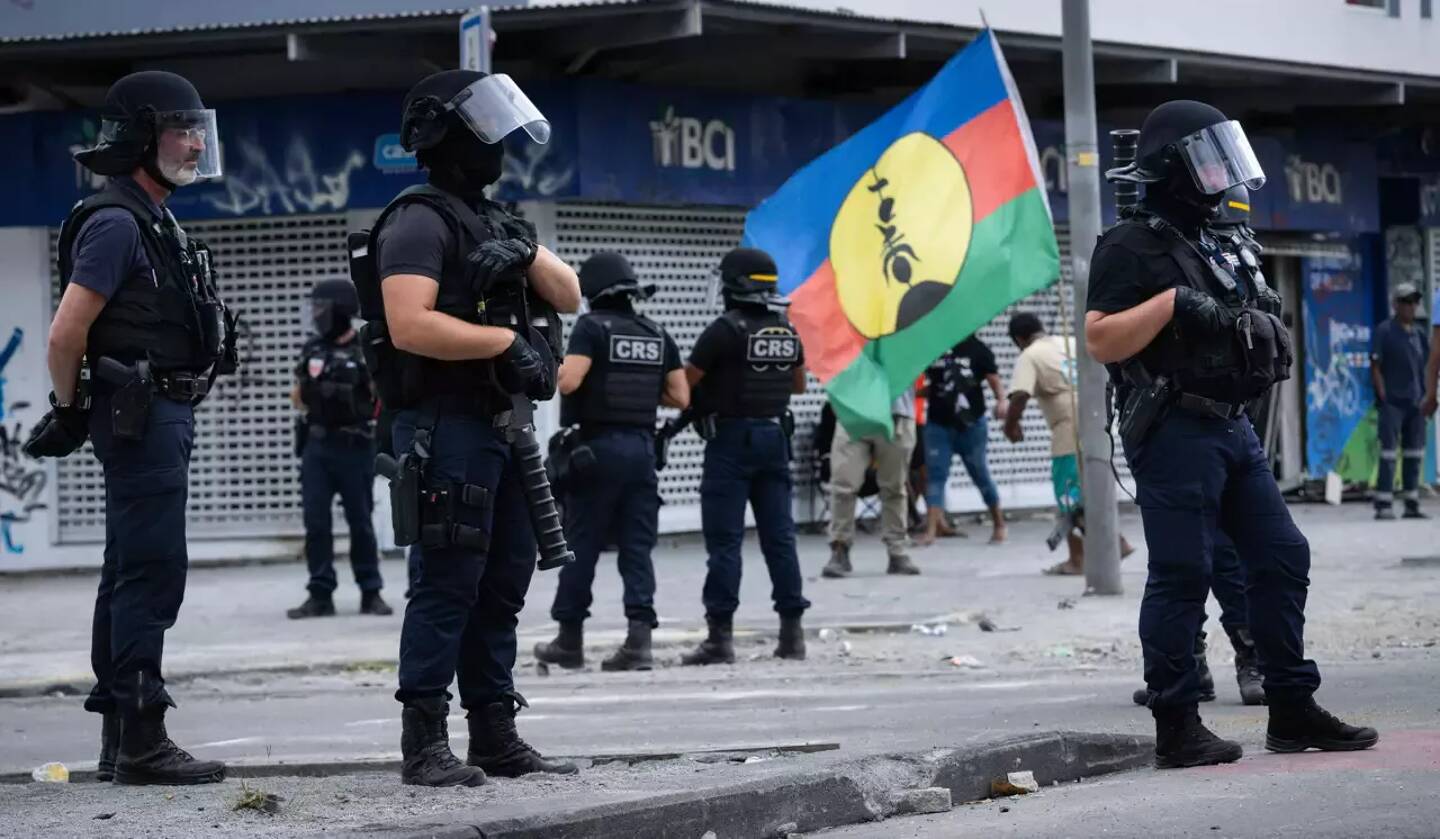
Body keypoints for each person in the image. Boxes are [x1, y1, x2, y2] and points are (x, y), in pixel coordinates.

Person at [1089, 99, 1377, 768]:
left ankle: (1291, 706)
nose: (1222, 173)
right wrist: (1169, 305)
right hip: (1173, 428)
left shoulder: (1219, 238)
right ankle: (1177, 723)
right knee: (1184, 574)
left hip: (1234, 427)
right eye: (1208, 158)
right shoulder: (1129, 244)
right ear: (1174, 168)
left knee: (1282, 556)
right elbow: (1100, 336)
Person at [361, 69, 581, 786]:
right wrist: (499, 343)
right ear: (447, 136)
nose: (501, 146)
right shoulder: (418, 219)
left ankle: (495, 732)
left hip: (506, 428)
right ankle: (424, 740)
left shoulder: (498, 219)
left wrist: (523, 251)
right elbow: (408, 323)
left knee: (503, 585)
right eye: (486, 128)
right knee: (447, 583)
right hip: (444, 424)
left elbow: (569, 292)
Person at [25, 71, 234, 784]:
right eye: (182, 128)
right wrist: (71, 409)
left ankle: (121, 740)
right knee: (150, 572)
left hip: (158, 414)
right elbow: (65, 335)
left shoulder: (151, 216)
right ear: (142, 137)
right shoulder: (116, 222)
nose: (196, 140)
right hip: (139, 416)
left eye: (198, 127)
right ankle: (144, 740)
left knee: (128, 571)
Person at [534, 252, 688, 671]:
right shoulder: (655, 332)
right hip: (641, 452)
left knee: (580, 545)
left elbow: (568, 381)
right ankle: (639, 643)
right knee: (637, 548)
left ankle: (569, 641)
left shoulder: (590, 327)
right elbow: (680, 396)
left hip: (595, 452)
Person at [680, 247, 811, 665]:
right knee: (780, 539)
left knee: (725, 543)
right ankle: (792, 636)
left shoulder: (724, 329)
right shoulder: (786, 329)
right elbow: (799, 386)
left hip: (731, 442)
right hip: (775, 437)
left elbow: (685, 385)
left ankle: (720, 638)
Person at [288, 278, 392, 619]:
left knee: (360, 522)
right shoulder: (312, 348)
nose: (316, 315)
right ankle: (320, 593)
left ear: (341, 310)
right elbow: (297, 397)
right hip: (317, 445)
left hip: (355, 445)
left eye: (321, 308)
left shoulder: (366, 349)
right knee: (316, 523)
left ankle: (370, 591)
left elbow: (380, 399)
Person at [1002, 313, 1135, 574]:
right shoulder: (1071, 342)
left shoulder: (1029, 355)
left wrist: (1010, 426)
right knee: (1089, 492)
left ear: (1019, 339)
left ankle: (1085, 556)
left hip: (1067, 434)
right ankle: (1106, 546)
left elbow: (1019, 395)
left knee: (1069, 497)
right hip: (1096, 425)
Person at [823, 387, 921, 577]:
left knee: (894, 487)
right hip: (854, 412)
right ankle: (840, 547)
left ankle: (897, 550)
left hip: (896, 413)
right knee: (843, 485)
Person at [918, 335, 1007, 545]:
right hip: (938, 424)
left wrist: (1001, 400)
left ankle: (999, 522)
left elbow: (993, 378)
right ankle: (931, 530)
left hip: (972, 424)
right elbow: (937, 383)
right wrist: (918, 393)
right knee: (935, 475)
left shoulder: (977, 348)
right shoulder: (933, 346)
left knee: (979, 473)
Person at [1371, 283, 1429, 520]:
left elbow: (1427, 366)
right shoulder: (1385, 331)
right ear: (1396, 304)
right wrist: (1383, 395)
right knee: (1388, 454)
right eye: (1406, 302)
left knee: (1415, 453)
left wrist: (1428, 396)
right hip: (1393, 403)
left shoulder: (1419, 335)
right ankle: (1384, 504)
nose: (1411, 306)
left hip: (1416, 404)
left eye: (1414, 302)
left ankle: (1411, 503)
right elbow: (1375, 366)